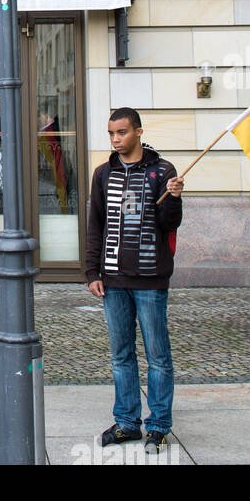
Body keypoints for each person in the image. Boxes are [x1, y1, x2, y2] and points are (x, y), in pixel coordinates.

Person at [84, 107, 185, 454]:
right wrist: (91, 272)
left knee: (158, 356)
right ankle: (127, 422)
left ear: (138, 132)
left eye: (122, 132)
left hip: (150, 279)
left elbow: (170, 224)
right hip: (112, 279)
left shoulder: (162, 171)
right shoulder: (102, 174)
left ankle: (158, 426)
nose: (115, 139)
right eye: (111, 133)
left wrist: (173, 197)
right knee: (120, 355)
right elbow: (96, 225)